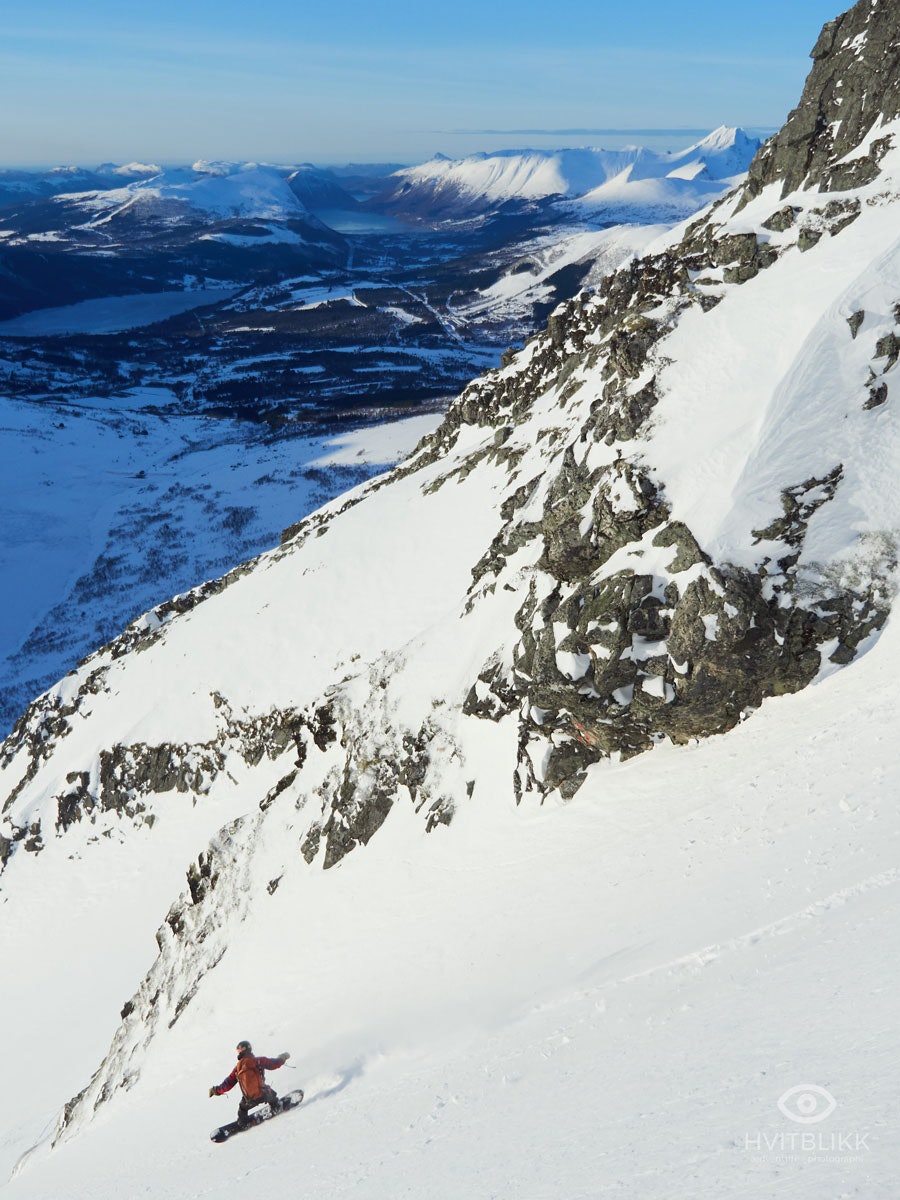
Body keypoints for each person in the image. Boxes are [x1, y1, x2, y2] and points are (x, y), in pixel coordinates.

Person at [209, 1040, 290, 1127]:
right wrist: (282, 1058)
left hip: (249, 1100)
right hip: (264, 1094)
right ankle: (276, 1106)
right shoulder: (257, 1061)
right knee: (271, 1093)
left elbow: (227, 1084)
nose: (238, 1053)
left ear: (243, 1050)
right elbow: (273, 1064)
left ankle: (243, 1122)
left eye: (239, 1051)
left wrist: (216, 1090)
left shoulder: (237, 1068)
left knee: (242, 1108)